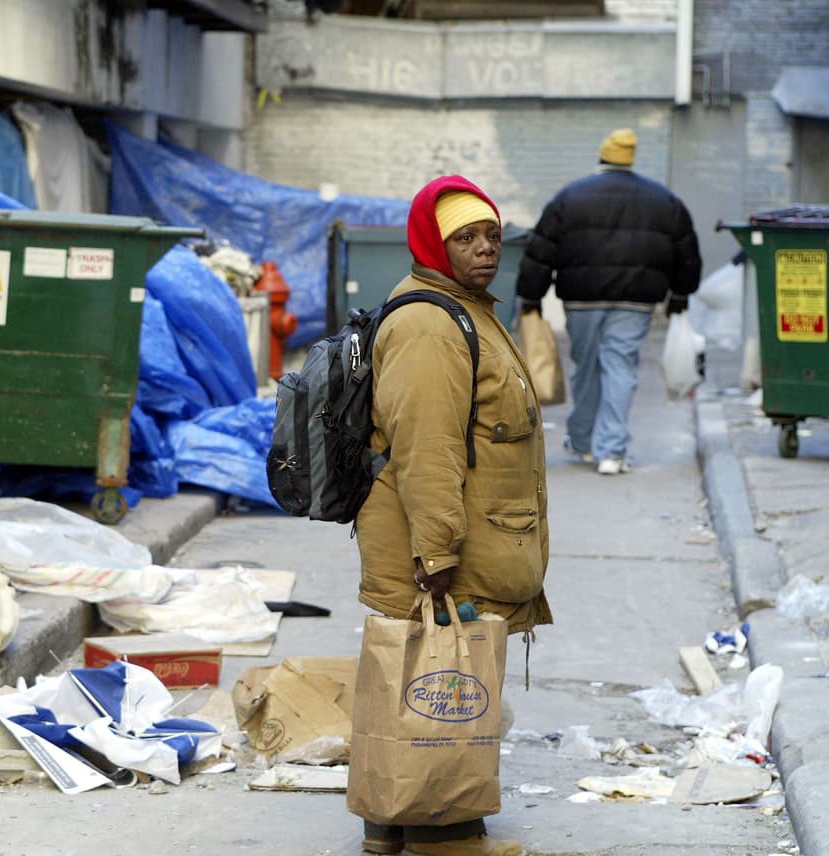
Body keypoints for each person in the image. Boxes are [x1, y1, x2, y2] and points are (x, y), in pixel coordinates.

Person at [352, 175, 551, 856]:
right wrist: (435, 554)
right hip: (440, 543)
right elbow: (427, 449)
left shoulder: (460, 307)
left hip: (455, 534)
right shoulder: (431, 324)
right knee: (446, 686)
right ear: (434, 244)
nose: (485, 248)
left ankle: (390, 820)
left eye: (492, 235)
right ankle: (446, 832)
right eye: (466, 237)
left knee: (414, 678)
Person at [516, 127, 702, 474]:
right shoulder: (663, 200)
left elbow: (540, 251)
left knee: (586, 367)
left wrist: (531, 295)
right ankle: (611, 453)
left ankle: (584, 442)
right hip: (637, 299)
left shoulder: (569, 198)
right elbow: (686, 252)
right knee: (620, 365)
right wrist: (680, 293)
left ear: (601, 158)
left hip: (581, 298)